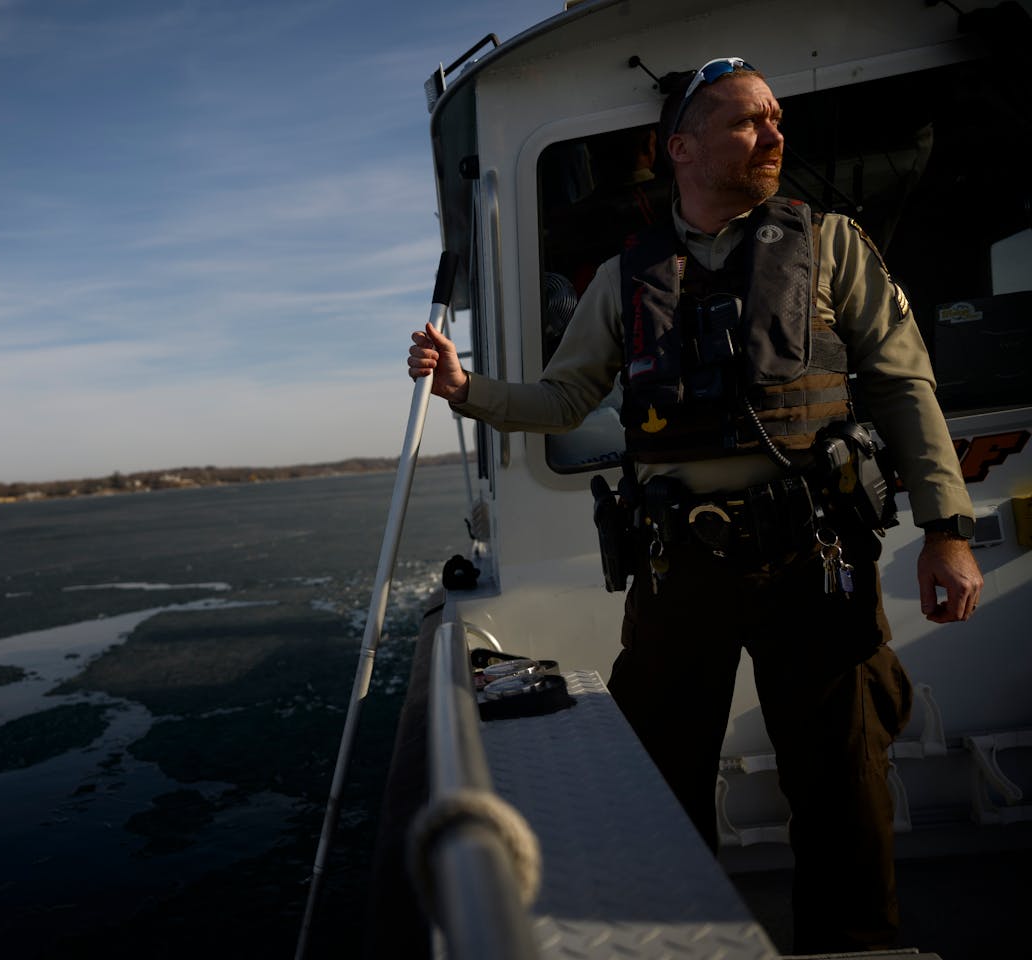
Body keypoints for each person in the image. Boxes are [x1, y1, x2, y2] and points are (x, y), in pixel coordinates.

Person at [407, 58, 983, 954]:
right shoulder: (623, 276)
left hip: (816, 561)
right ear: (682, 146)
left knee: (843, 783)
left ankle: (860, 946)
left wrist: (949, 532)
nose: (773, 133)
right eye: (748, 120)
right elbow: (564, 402)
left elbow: (906, 389)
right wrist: (465, 386)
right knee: (660, 774)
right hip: (680, 566)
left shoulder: (830, 244)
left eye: (776, 119)